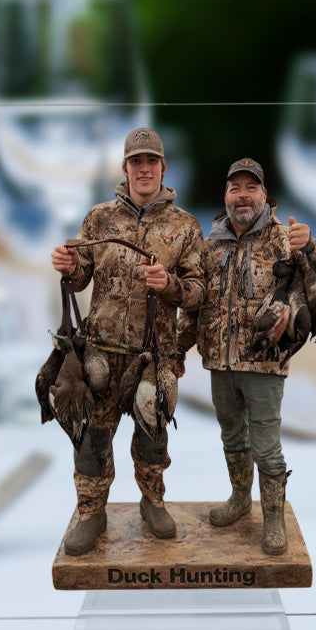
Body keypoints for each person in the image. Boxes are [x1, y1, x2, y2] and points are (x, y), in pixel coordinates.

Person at [50, 127, 205, 555]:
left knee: (153, 437)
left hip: (152, 356)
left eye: (151, 161)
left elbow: (198, 293)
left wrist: (169, 284)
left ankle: (152, 501)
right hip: (100, 353)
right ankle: (90, 511)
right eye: (137, 161)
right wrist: (68, 265)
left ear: (163, 168)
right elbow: (80, 277)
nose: (144, 168)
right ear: (125, 168)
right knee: (91, 440)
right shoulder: (99, 218)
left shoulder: (185, 226)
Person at [177, 157, 316, 555]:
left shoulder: (286, 238)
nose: (243, 196)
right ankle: (239, 499)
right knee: (232, 434)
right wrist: (177, 349)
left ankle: (273, 519)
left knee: (266, 444)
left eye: (251, 188)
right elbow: (195, 307)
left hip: (264, 365)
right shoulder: (210, 245)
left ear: (265, 195)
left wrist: (310, 248)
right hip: (219, 362)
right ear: (225, 196)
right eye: (235, 188)